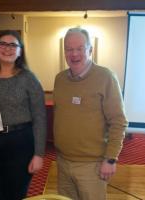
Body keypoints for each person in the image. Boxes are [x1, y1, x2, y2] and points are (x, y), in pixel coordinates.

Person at [53, 27, 128, 200]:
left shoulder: (105, 77)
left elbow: (118, 121)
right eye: (69, 49)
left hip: (92, 165)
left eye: (79, 48)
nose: (74, 54)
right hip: (63, 162)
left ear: (90, 50)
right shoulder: (60, 79)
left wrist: (110, 159)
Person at [0, 30, 47, 200]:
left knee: (16, 194)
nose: (8, 48)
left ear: (20, 51)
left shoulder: (29, 78)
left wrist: (39, 154)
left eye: (13, 45)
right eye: (3, 44)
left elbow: (40, 118)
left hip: (20, 142)